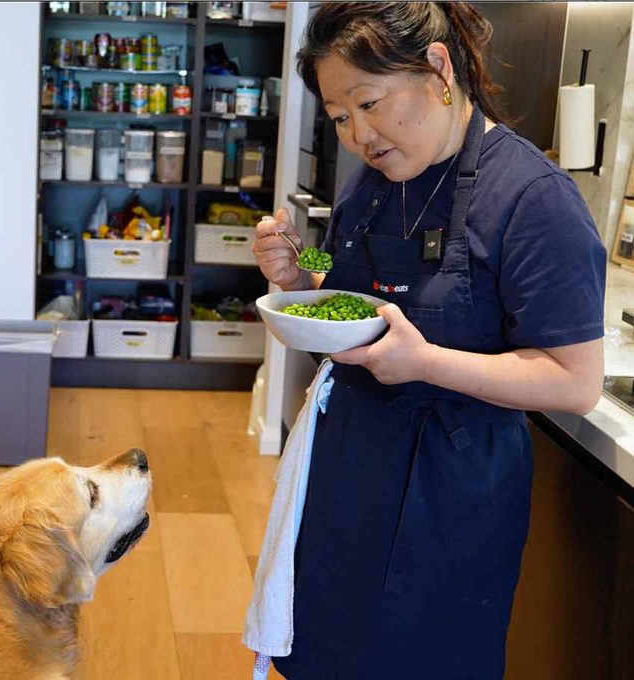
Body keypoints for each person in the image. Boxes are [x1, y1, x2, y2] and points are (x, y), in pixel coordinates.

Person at [252, 3, 606, 678]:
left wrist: (426, 363)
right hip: (349, 471)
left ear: (438, 68)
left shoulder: (534, 199)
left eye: (369, 103)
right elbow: (348, 286)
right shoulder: (375, 183)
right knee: (325, 655)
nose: (359, 135)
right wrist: (299, 272)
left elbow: (574, 380)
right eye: (340, 118)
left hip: (449, 499)